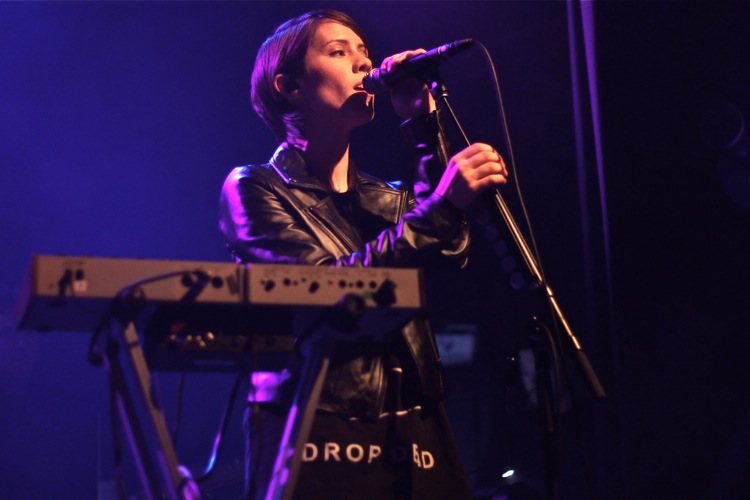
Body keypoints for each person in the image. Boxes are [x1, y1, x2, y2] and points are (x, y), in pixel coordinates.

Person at [219, 9, 508, 499]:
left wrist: (422, 125)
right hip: (316, 415)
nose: (364, 63)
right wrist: (440, 207)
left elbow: (451, 248)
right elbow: (327, 290)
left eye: (365, 53)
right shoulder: (254, 187)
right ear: (289, 86)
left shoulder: (386, 197)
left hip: (416, 413)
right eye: (339, 52)